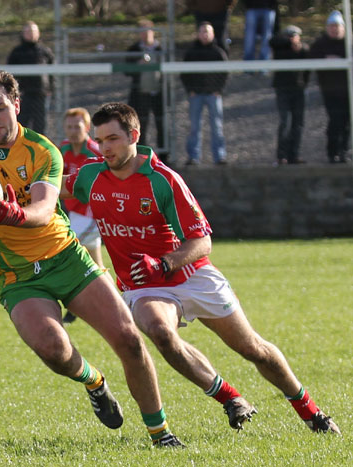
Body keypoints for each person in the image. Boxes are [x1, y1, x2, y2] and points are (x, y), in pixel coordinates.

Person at [0, 69, 183, 448]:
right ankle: (94, 382)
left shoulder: (42, 150)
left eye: (0, 108)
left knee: (129, 339)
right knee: (54, 351)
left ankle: (160, 434)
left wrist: (10, 214)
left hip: (65, 258)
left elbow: (44, 209)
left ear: (15, 105)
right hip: (16, 275)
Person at [62, 101, 341, 435]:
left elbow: (202, 242)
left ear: (134, 135)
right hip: (145, 285)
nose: (105, 147)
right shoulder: (92, 175)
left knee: (253, 349)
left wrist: (165, 262)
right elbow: (52, 189)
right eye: (101, 139)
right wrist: (12, 199)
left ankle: (310, 411)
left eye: (113, 139)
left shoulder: (163, 180)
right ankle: (231, 398)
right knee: (161, 333)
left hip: (191, 275)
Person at [59, 107, 111, 324]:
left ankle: (74, 304)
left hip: (91, 213)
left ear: (87, 128)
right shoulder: (63, 150)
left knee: (67, 251)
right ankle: (116, 302)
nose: (73, 131)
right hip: (74, 213)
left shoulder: (96, 152)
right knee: (95, 264)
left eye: (77, 127)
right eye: (69, 127)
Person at [180, 22, 228, 166]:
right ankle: (194, 157)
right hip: (196, 95)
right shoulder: (191, 52)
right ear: (198, 34)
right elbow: (184, 74)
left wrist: (218, 90)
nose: (205, 35)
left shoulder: (218, 52)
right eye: (202, 32)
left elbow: (225, 72)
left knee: (217, 127)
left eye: (207, 32)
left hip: (213, 95)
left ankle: (219, 157)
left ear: (213, 34)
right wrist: (191, 90)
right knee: (195, 127)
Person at [310, 10, 350, 164]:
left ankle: (344, 152)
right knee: (335, 121)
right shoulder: (320, 44)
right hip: (330, 91)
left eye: (337, 26)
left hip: (348, 91)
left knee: (346, 123)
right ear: (327, 28)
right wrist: (325, 59)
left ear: (343, 28)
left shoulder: (349, 43)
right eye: (332, 26)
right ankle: (332, 153)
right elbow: (311, 59)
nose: (334, 29)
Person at [126, 19, 168, 162]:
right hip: (140, 94)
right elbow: (127, 71)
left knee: (161, 123)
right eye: (141, 31)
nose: (144, 34)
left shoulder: (161, 49)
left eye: (146, 31)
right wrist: (138, 65)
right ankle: (141, 157)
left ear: (153, 31)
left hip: (158, 93)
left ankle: (163, 157)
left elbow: (168, 70)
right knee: (141, 124)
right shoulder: (134, 50)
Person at [270, 25, 309, 165]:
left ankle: (294, 155)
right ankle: (282, 156)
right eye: (288, 35)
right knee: (284, 122)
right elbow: (272, 41)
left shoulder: (302, 50)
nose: (291, 38)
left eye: (293, 35)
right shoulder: (279, 48)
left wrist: (304, 83)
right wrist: (288, 42)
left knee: (298, 124)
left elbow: (307, 66)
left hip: (298, 90)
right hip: (282, 89)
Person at [7, 21, 54, 135]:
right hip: (23, 95)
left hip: (40, 94)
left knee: (40, 126)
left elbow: (52, 72)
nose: (31, 34)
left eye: (33, 31)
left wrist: (50, 88)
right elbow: (9, 75)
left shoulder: (44, 51)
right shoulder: (16, 52)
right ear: (23, 34)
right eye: (28, 31)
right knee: (22, 126)